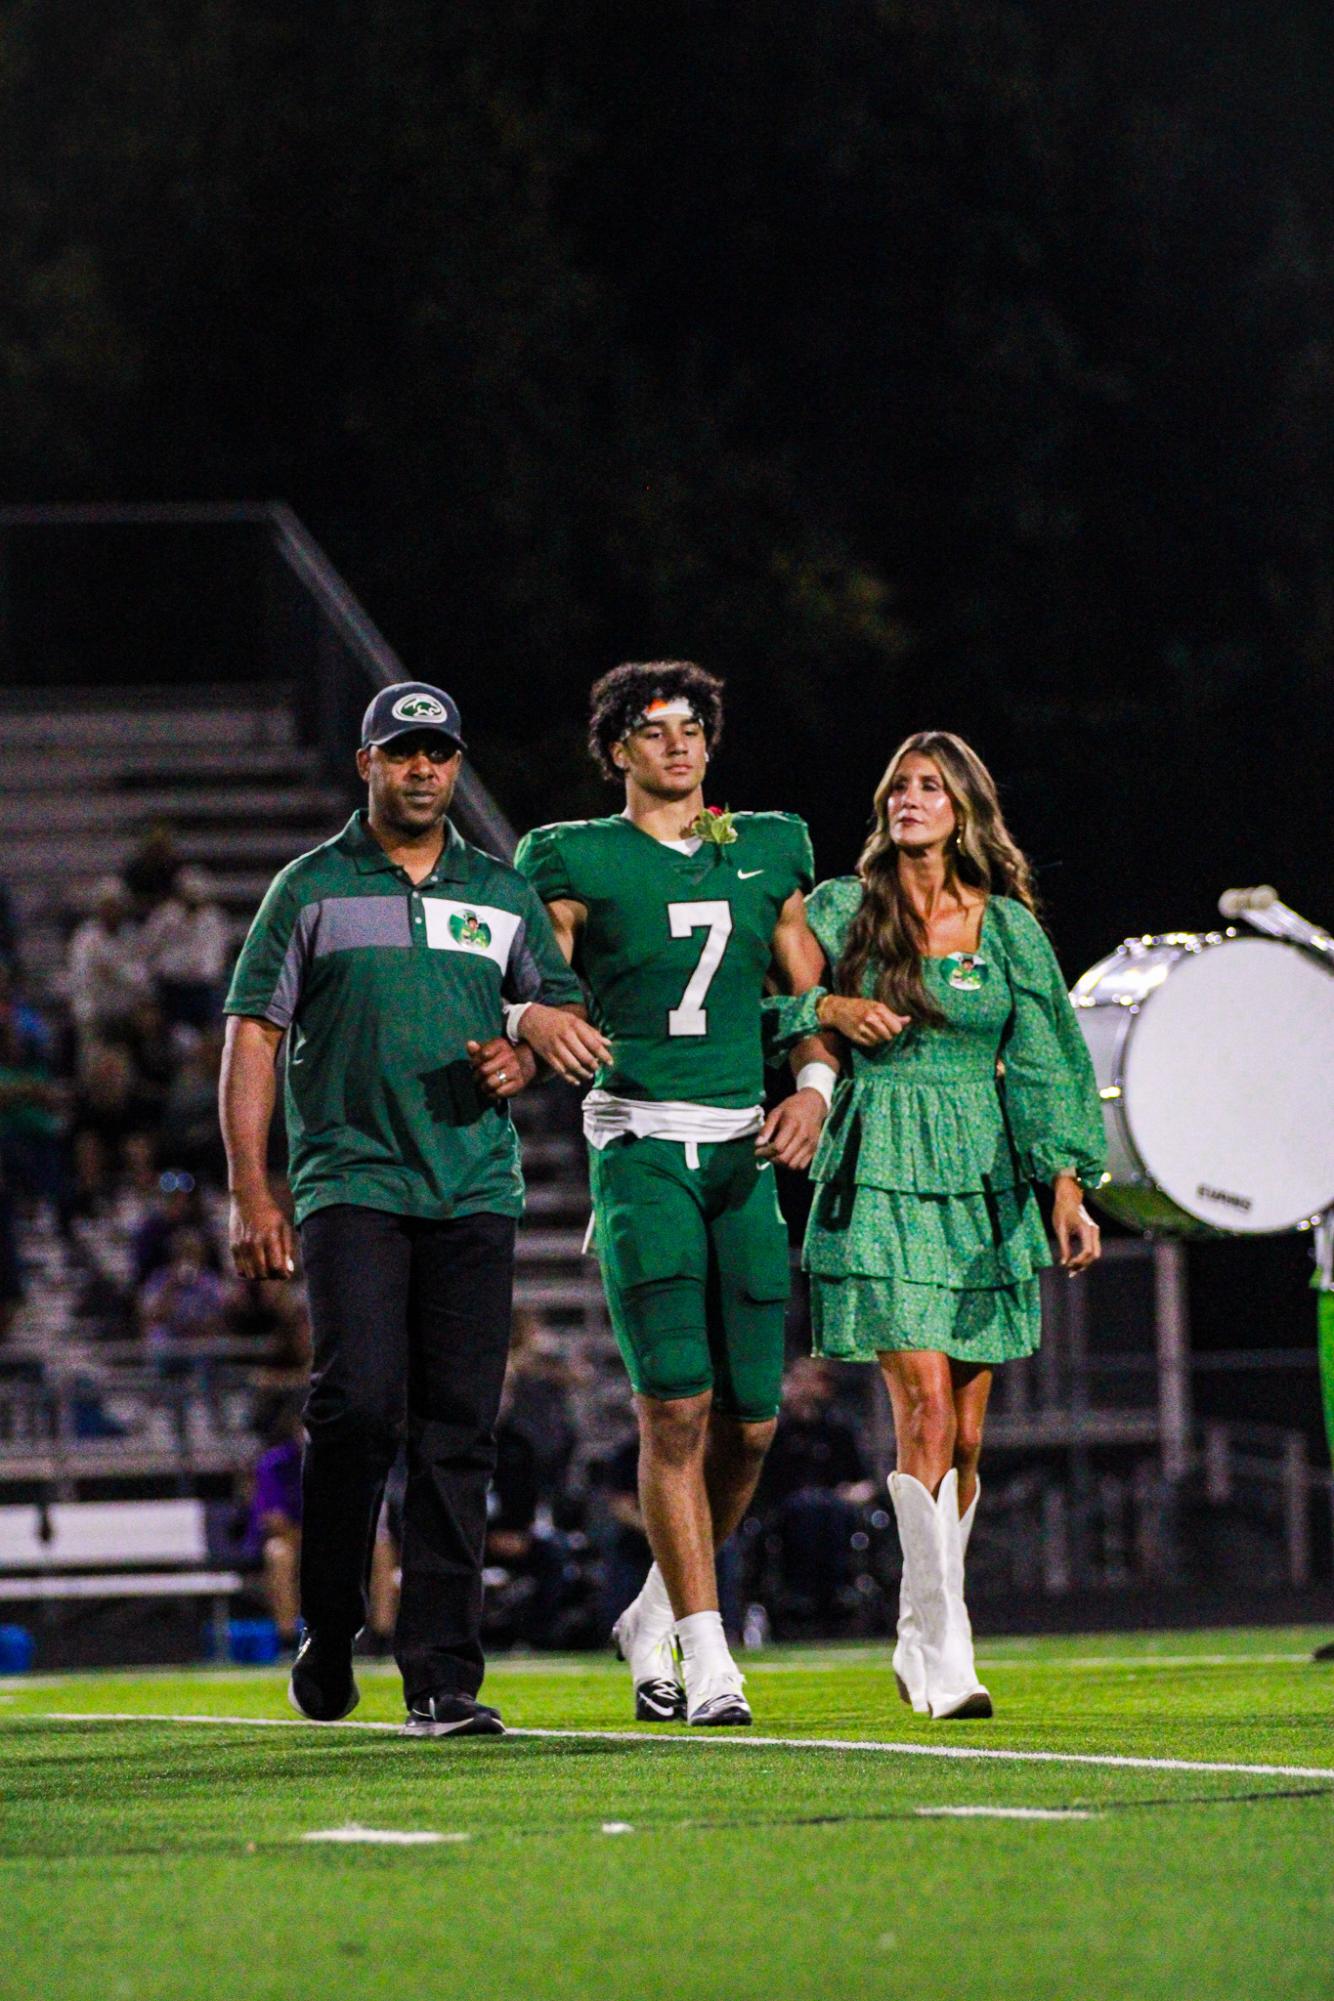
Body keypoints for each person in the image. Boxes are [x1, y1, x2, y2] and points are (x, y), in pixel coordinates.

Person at [220, 679, 586, 1738]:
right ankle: (331, 1627)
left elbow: (556, 1007)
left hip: (474, 1186)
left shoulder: (501, 890)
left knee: (459, 1432)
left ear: (454, 765)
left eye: (437, 754)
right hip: (351, 1182)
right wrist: (254, 1186)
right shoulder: (308, 887)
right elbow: (254, 1034)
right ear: (367, 766)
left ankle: (440, 1678)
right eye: (402, 753)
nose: (422, 770)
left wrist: (525, 1051)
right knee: (358, 1410)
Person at [504, 660, 836, 1726]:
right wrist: (535, 1016)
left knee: (752, 1422)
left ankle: (652, 1609)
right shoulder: (571, 855)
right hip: (639, 1141)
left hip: (744, 1144)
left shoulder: (766, 845)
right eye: (653, 731)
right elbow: (534, 972)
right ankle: (712, 1656)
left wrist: (818, 1091)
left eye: (692, 727)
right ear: (616, 751)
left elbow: (806, 987)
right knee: (674, 1407)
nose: (677, 745)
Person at [777, 730, 1104, 1719]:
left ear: (962, 808)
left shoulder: (1005, 928)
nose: (908, 799)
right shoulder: (840, 909)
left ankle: (929, 1626)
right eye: (896, 787)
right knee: (917, 1405)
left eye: (928, 786)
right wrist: (828, 1008)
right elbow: (790, 1006)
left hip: (982, 1178)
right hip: (877, 1162)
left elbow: (1047, 1055)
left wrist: (1064, 1184)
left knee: (964, 1435)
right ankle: (941, 1646)